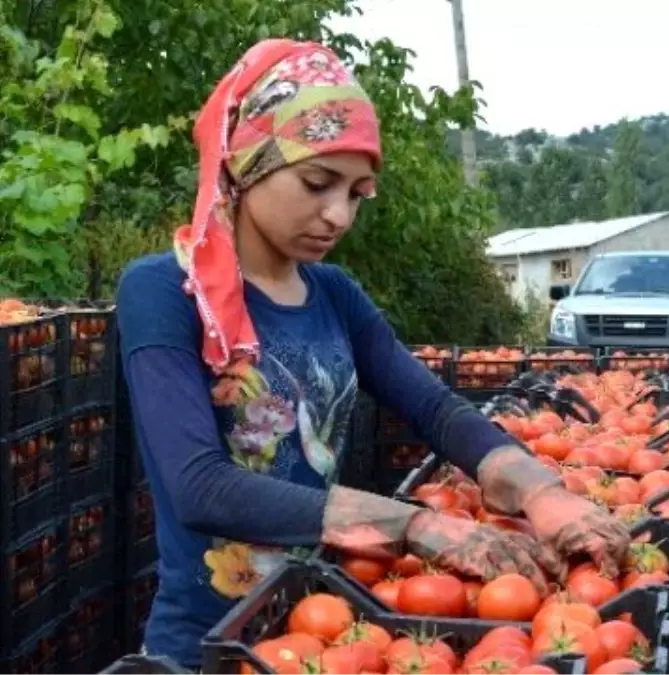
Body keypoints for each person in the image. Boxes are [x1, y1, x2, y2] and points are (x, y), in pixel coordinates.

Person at [115, 39, 629, 669]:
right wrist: (412, 525)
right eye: (317, 181)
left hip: (318, 630)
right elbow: (197, 486)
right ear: (248, 162)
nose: (338, 214)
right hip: (203, 643)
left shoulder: (334, 294)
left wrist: (539, 491)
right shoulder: (165, 289)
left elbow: (437, 411)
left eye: (358, 193)